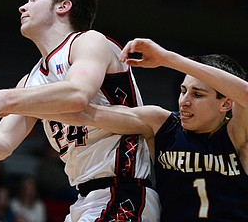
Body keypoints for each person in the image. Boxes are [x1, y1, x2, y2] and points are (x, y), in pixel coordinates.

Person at [0, 0, 161, 221]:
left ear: (63, 6)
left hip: (125, 191)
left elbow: (78, 94)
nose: (22, 7)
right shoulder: (30, 80)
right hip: (84, 198)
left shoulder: (88, 41)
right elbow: (2, 143)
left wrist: (1, 99)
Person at [41, 38, 248, 221]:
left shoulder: (237, 134)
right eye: (183, 91)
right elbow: (85, 113)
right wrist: (16, 103)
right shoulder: (163, 124)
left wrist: (167, 58)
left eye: (198, 94)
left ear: (226, 103)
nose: (184, 101)